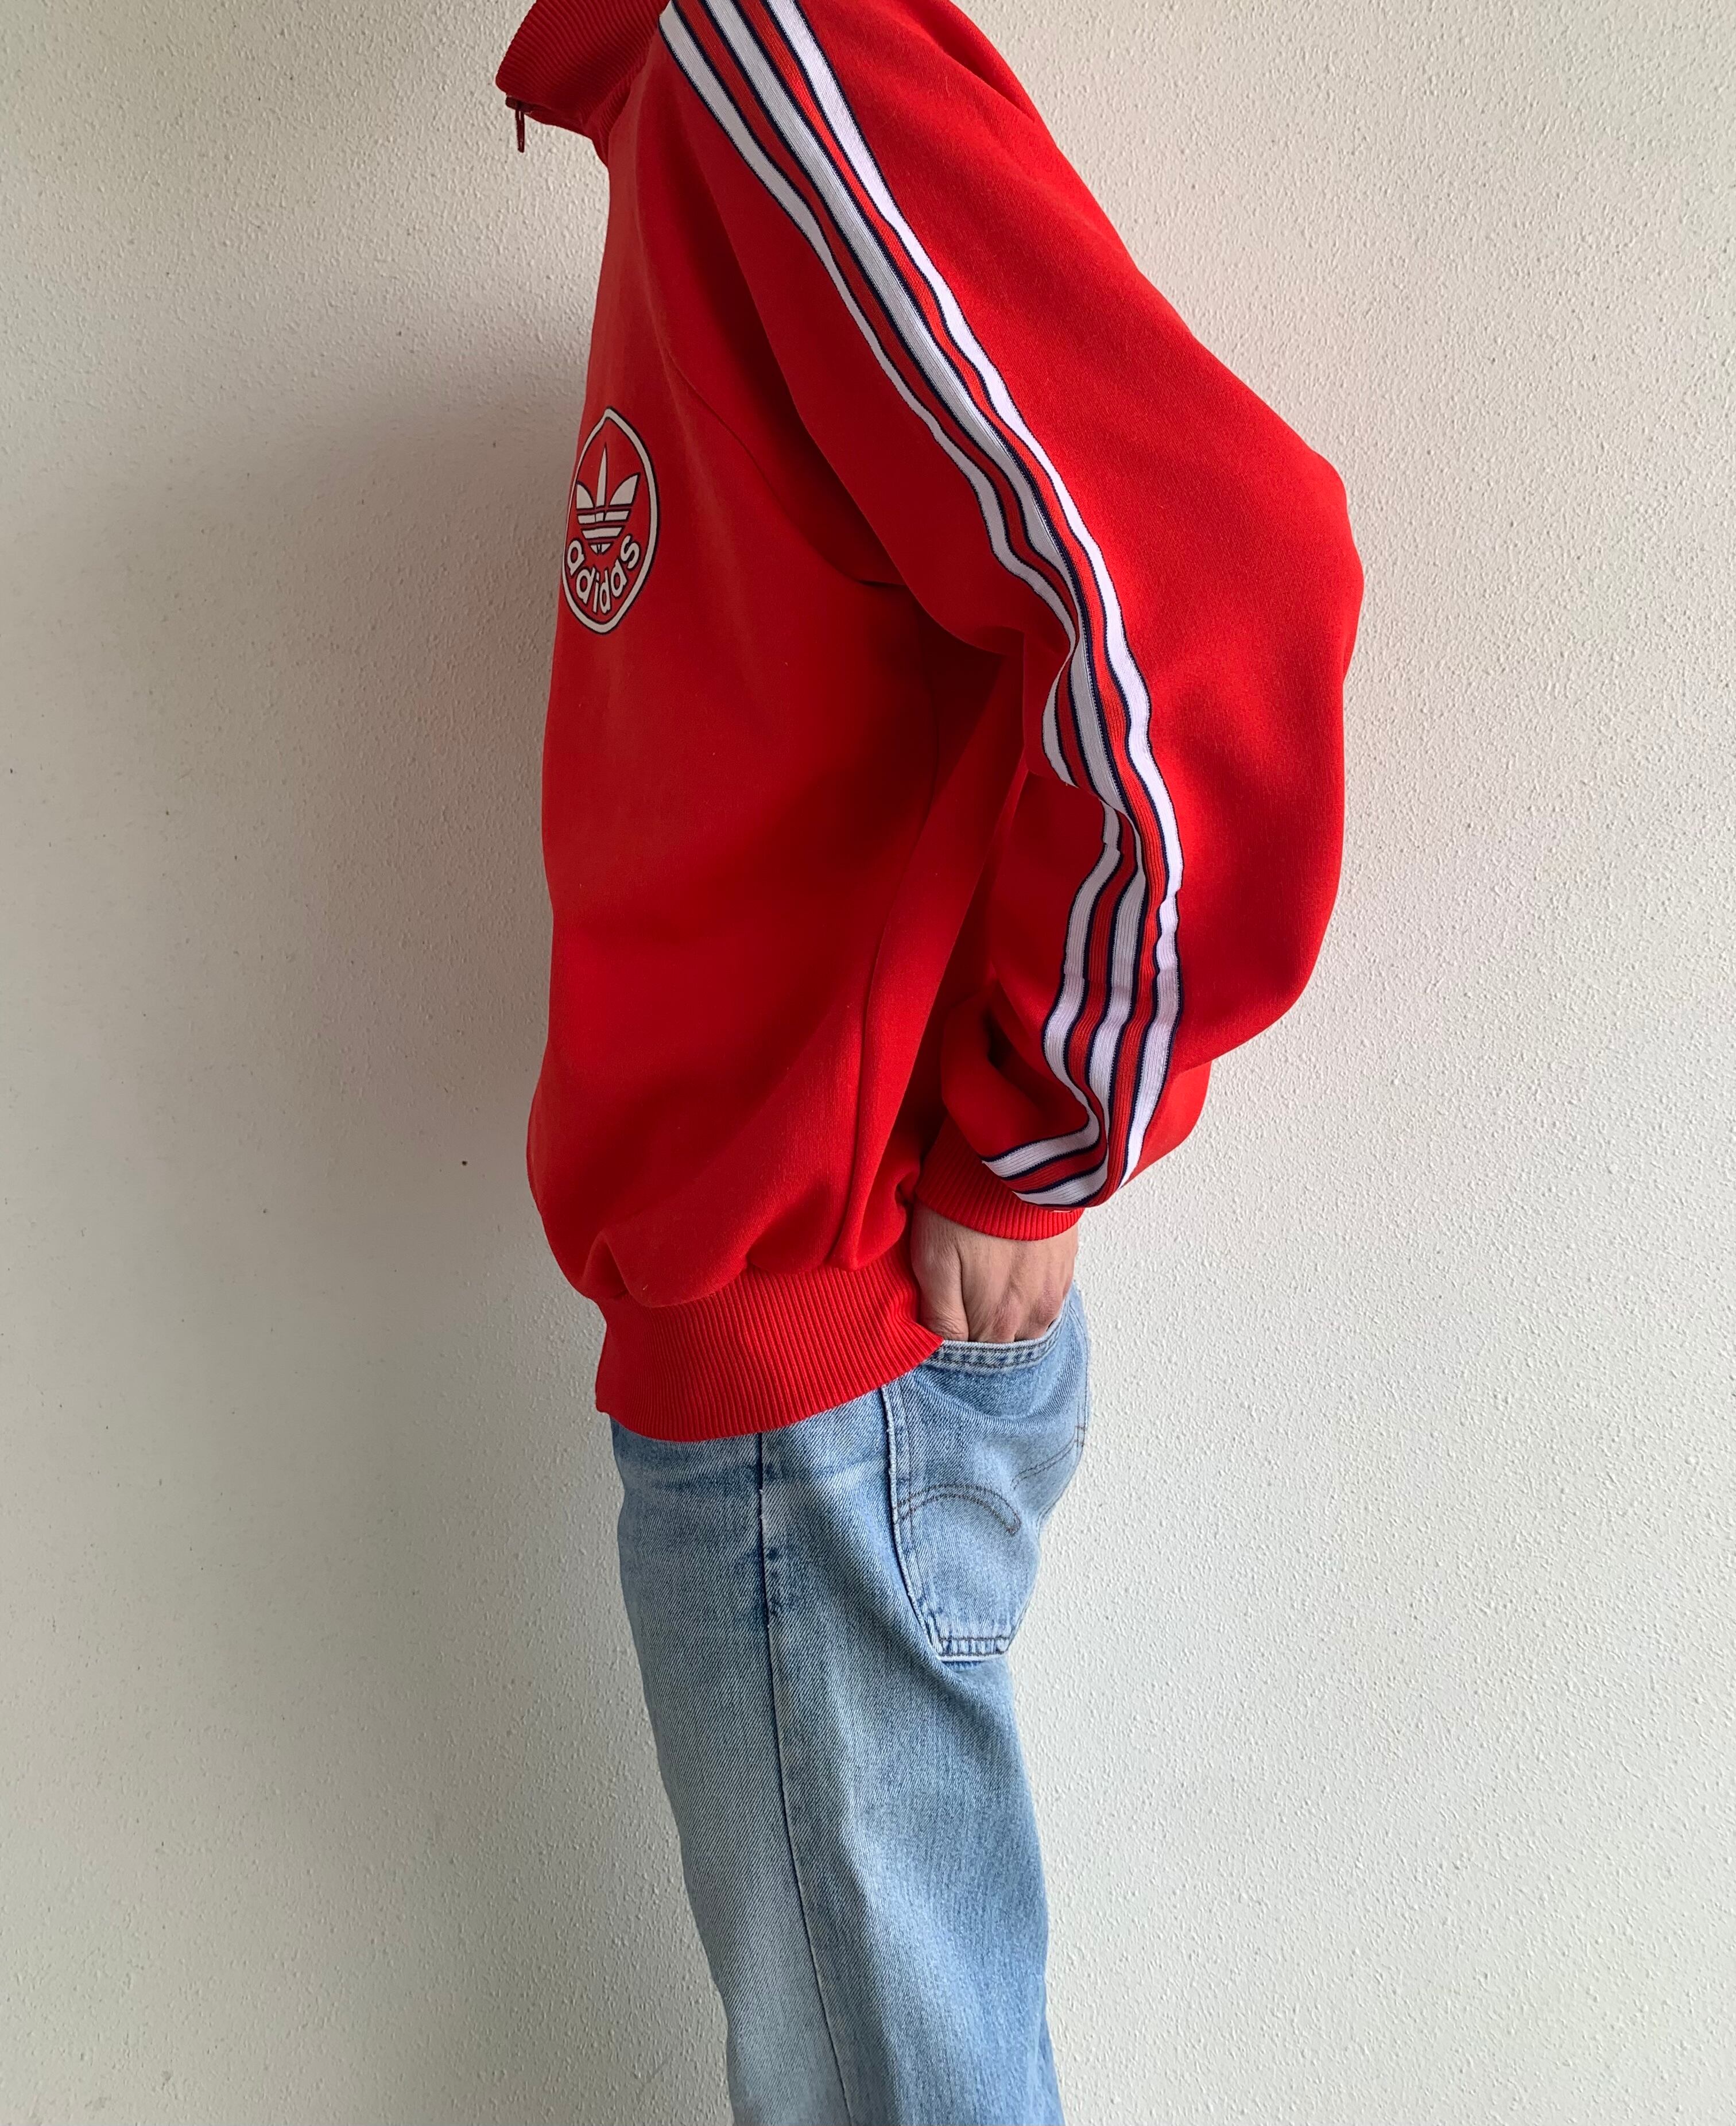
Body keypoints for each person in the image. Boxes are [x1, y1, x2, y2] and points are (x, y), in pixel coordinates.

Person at [494, 0, 1363, 2117]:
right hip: (784, 1353)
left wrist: (1039, 1136)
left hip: (819, 1353)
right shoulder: (702, 85)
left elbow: (1213, 573)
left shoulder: (761, 49)